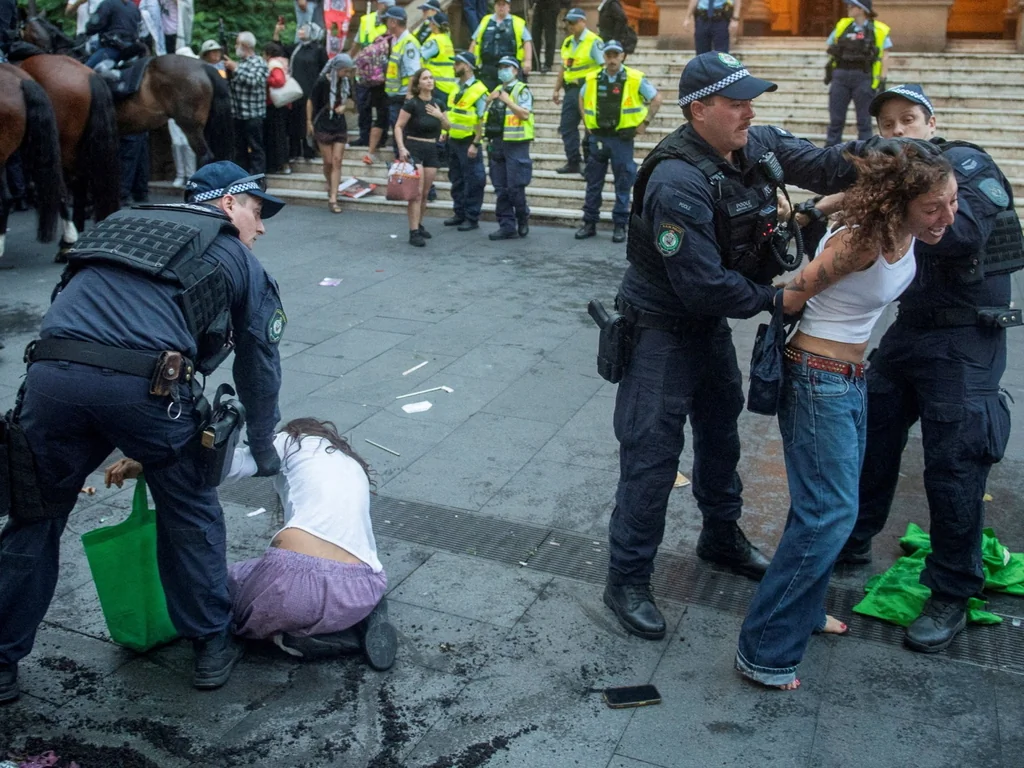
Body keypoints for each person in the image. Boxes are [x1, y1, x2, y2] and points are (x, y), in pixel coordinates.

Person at [603, 52, 871, 642]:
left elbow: (829, 166)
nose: (750, 112)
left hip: (707, 329)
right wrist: (780, 299)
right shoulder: (676, 180)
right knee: (651, 458)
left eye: (751, 101)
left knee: (721, 436)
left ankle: (720, 537)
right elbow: (701, 284)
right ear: (700, 110)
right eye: (736, 103)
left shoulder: (757, 144)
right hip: (660, 333)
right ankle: (627, 579)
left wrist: (899, 154)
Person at [0, 161, 287, 705]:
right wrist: (262, 444)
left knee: (35, 516)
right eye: (257, 210)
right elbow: (259, 362)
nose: (262, 227)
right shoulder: (234, 253)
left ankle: (1, 661)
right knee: (189, 507)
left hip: (51, 379)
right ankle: (210, 643)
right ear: (228, 204)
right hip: (148, 391)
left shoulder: (119, 223)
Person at [735, 143, 957, 690]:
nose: (947, 216)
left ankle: (804, 612)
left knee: (825, 508)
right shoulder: (862, 242)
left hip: (850, 377)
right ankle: (764, 651)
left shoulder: (900, 224)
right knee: (828, 514)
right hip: (817, 378)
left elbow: (855, 196)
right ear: (902, 204)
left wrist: (822, 205)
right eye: (934, 207)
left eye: (952, 202)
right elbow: (791, 298)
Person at [838, 84, 1022, 653]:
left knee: (954, 464)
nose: (897, 131)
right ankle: (854, 539)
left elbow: (961, 233)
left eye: (908, 119)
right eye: (887, 124)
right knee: (871, 431)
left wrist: (889, 202)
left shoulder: (966, 167)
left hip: (966, 338)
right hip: (912, 329)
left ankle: (952, 591)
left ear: (931, 123)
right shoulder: (894, 179)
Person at [104, 418, 398, 671]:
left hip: (291, 583)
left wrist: (148, 464)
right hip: (363, 584)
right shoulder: (352, 468)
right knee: (319, 586)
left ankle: (289, 636)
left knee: (215, 596)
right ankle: (351, 620)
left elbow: (223, 466)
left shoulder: (292, 440)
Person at [575, 40, 660, 243]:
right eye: (608, 55)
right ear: (604, 57)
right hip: (598, 137)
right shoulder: (593, 78)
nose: (612, 59)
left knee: (623, 182)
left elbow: (656, 99)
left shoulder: (634, 77)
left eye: (616, 55)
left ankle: (620, 225)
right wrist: (586, 121)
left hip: (622, 139)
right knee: (593, 182)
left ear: (622, 56)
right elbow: (581, 97)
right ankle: (589, 223)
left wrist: (645, 123)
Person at [395, 68, 450, 246]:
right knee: (416, 193)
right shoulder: (412, 103)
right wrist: (401, 148)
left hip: (432, 148)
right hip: (414, 147)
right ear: (418, 83)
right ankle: (413, 232)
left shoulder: (438, 103)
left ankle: (419, 224)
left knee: (426, 193)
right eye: (425, 78)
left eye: (431, 78)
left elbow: (448, 127)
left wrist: (440, 116)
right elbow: (398, 126)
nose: (429, 81)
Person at [825, 0, 891, 146]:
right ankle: (830, 151)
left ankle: (864, 153)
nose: (848, 8)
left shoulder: (879, 29)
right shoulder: (843, 25)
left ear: (862, 9)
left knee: (864, 121)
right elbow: (830, 44)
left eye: (853, 5)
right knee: (836, 120)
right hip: (841, 76)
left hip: (863, 76)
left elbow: (885, 55)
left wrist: (882, 79)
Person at [483, 55, 533, 241]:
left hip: (516, 144)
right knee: (500, 187)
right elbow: (483, 115)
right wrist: (487, 101)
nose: (502, 71)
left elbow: (525, 114)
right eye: (500, 67)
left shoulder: (522, 90)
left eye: (507, 67)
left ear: (515, 70)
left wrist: (508, 101)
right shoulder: (496, 91)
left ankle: (522, 216)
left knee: (515, 187)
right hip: (497, 143)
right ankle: (506, 226)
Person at [552, 8, 603, 175]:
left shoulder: (593, 41)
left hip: (588, 90)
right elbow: (564, 67)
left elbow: (603, 67)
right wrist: (556, 88)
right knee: (566, 127)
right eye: (568, 22)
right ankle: (573, 161)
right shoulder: (568, 42)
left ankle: (590, 164)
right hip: (571, 90)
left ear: (583, 22)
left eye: (573, 22)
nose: (570, 26)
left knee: (590, 128)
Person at [444, 51, 488, 232]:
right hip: (453, 139)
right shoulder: (456, 88)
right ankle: (459, 213)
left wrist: (476, 143)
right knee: (457, 178)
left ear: (468, 67)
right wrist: (444, 132)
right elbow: (451, 113)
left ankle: (471, 217)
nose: (454, 66)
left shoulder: (479, 90)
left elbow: (483, 119)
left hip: (469, 141)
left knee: (474, 179)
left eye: (457, 63)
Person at [308, 53, 355, 213]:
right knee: (328, 161)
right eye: (345, 71)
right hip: (323, 123)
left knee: (337, 161)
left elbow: (353, 104)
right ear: (337, 68)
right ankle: (330, 183)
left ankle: (333, 197)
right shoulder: (322, 81)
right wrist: (309, 122)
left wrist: (345, 106)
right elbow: (311, 101)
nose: (347, 74)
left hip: (339, 124)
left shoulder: (346, 82)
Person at [283, 22, 329, 163]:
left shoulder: (318, 49)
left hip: (311, 92)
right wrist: (277, 32)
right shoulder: (296, 48)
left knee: (309, 120)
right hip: (295, 92)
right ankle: (294, 151)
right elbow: (279, 50)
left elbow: (325, 70)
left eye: (304, 29)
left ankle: (310, 150)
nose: (300, 31)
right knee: (294, 122)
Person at [226, 32, 270, 175]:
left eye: (237, 43)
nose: (235, 47)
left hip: (253, 115)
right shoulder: (241, 63)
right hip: (237, 115)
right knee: (239, 150)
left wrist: (235, 69)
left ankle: (258, 180)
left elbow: (254, 81)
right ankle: (242, 179)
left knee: (256, 148)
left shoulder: (258, 62)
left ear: (245, 45)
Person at [381, 5, 421, 155]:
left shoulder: (408, 43)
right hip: (396, 96)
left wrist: (409, 95)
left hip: (403, 98)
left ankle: (405, 165)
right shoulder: (398, 41)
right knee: (398, 136)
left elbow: (413, 73)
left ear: (393, 22)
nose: (385, 24)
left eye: (387, 20)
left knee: (402, 136)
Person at [350, 0, 391, 148]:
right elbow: (357, 43)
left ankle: (381, 138)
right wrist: (349, 60)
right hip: (366, 71)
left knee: (382, 108)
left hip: (383, 73)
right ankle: (364, 137)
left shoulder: (392, 21)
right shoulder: (366, 20)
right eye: (385, 4)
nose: (386, 8)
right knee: (363, 106)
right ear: (379, 4)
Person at [472, 0, 533, 90]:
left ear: (509, 7)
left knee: (508, 93)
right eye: (498, 4)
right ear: (494, 6)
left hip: (508, 66)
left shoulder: (517, 22)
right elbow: (475, 41)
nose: (501, 7)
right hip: (487, 66)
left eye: (503, 5)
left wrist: (528, 61)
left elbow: (527, 41)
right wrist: (470, 61)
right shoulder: (486, 21)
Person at [263, 40, 293, 176]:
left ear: (268, 54)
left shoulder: (273, 64)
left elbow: (279, 80)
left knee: (277, 135)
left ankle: (281, 164)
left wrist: (266, 80)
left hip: (276, 104)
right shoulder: (283, 62)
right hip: (283, 104)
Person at [84, 0, 142, 68]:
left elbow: (95, 24)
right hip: (130, 50)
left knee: (86, 70)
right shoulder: (134, 7)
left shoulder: (108, 3)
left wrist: (88, 30)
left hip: (112, 48)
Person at [422, 12, 456, 100]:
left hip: (437, 85)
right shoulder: (446, 39)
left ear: (434, 25)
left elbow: (419, 57)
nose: (429, 24)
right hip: (449, 86)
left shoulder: (434, 41)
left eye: (431, 22)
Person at [531, 0, 560, 73]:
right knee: (535, 34)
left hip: (551, 4)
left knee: (549, 35)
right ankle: (535, 63)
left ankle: (548, 64)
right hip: (538, 4)